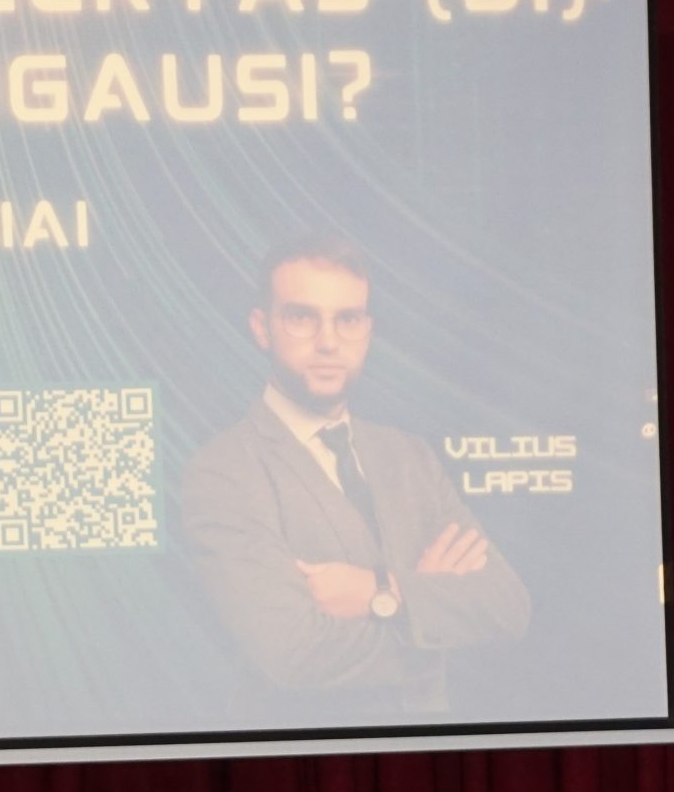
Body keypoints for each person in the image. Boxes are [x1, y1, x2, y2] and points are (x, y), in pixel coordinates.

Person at [179, 235, 529, 720]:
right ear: (262, 328)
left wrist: (379, 591)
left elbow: (507, 606)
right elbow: (294, 654)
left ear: (367, 329)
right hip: (309, 757)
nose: (328, 341)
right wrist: (433, 619)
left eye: (347, 319)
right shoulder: (223, 471)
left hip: (433, 750)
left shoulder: (409, 456)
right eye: (302, 317)